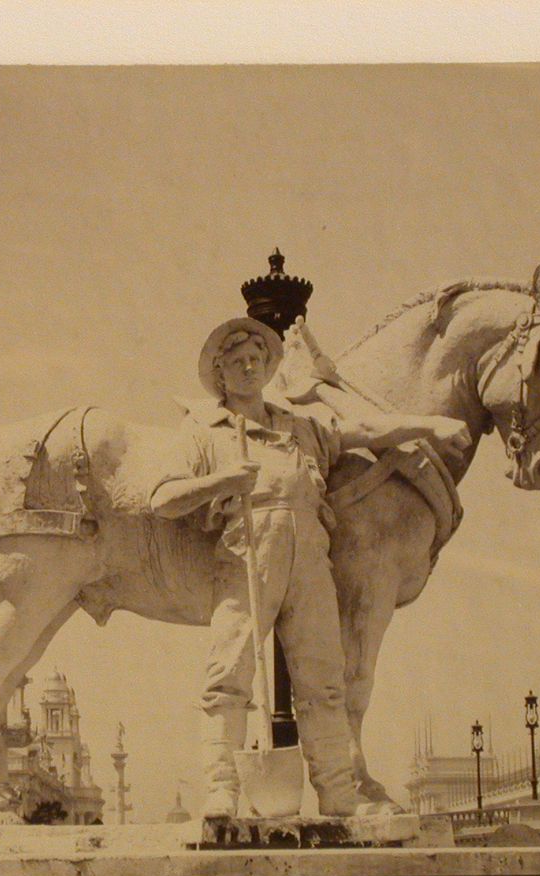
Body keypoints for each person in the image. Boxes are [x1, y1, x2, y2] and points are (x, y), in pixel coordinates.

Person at [149, 317, 471, 817]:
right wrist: (222, 482)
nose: (249, 366)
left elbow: (364, 429)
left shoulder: (300, 427)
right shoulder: (203, 431)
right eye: (237, 361)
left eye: (257, 358)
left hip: (310, 558)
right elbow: (164, 497)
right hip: (247, 553)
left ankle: (338, 792)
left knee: (324, 679)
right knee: (228, 675)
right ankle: (221, 790)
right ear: (220, 373)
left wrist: (429, 424)